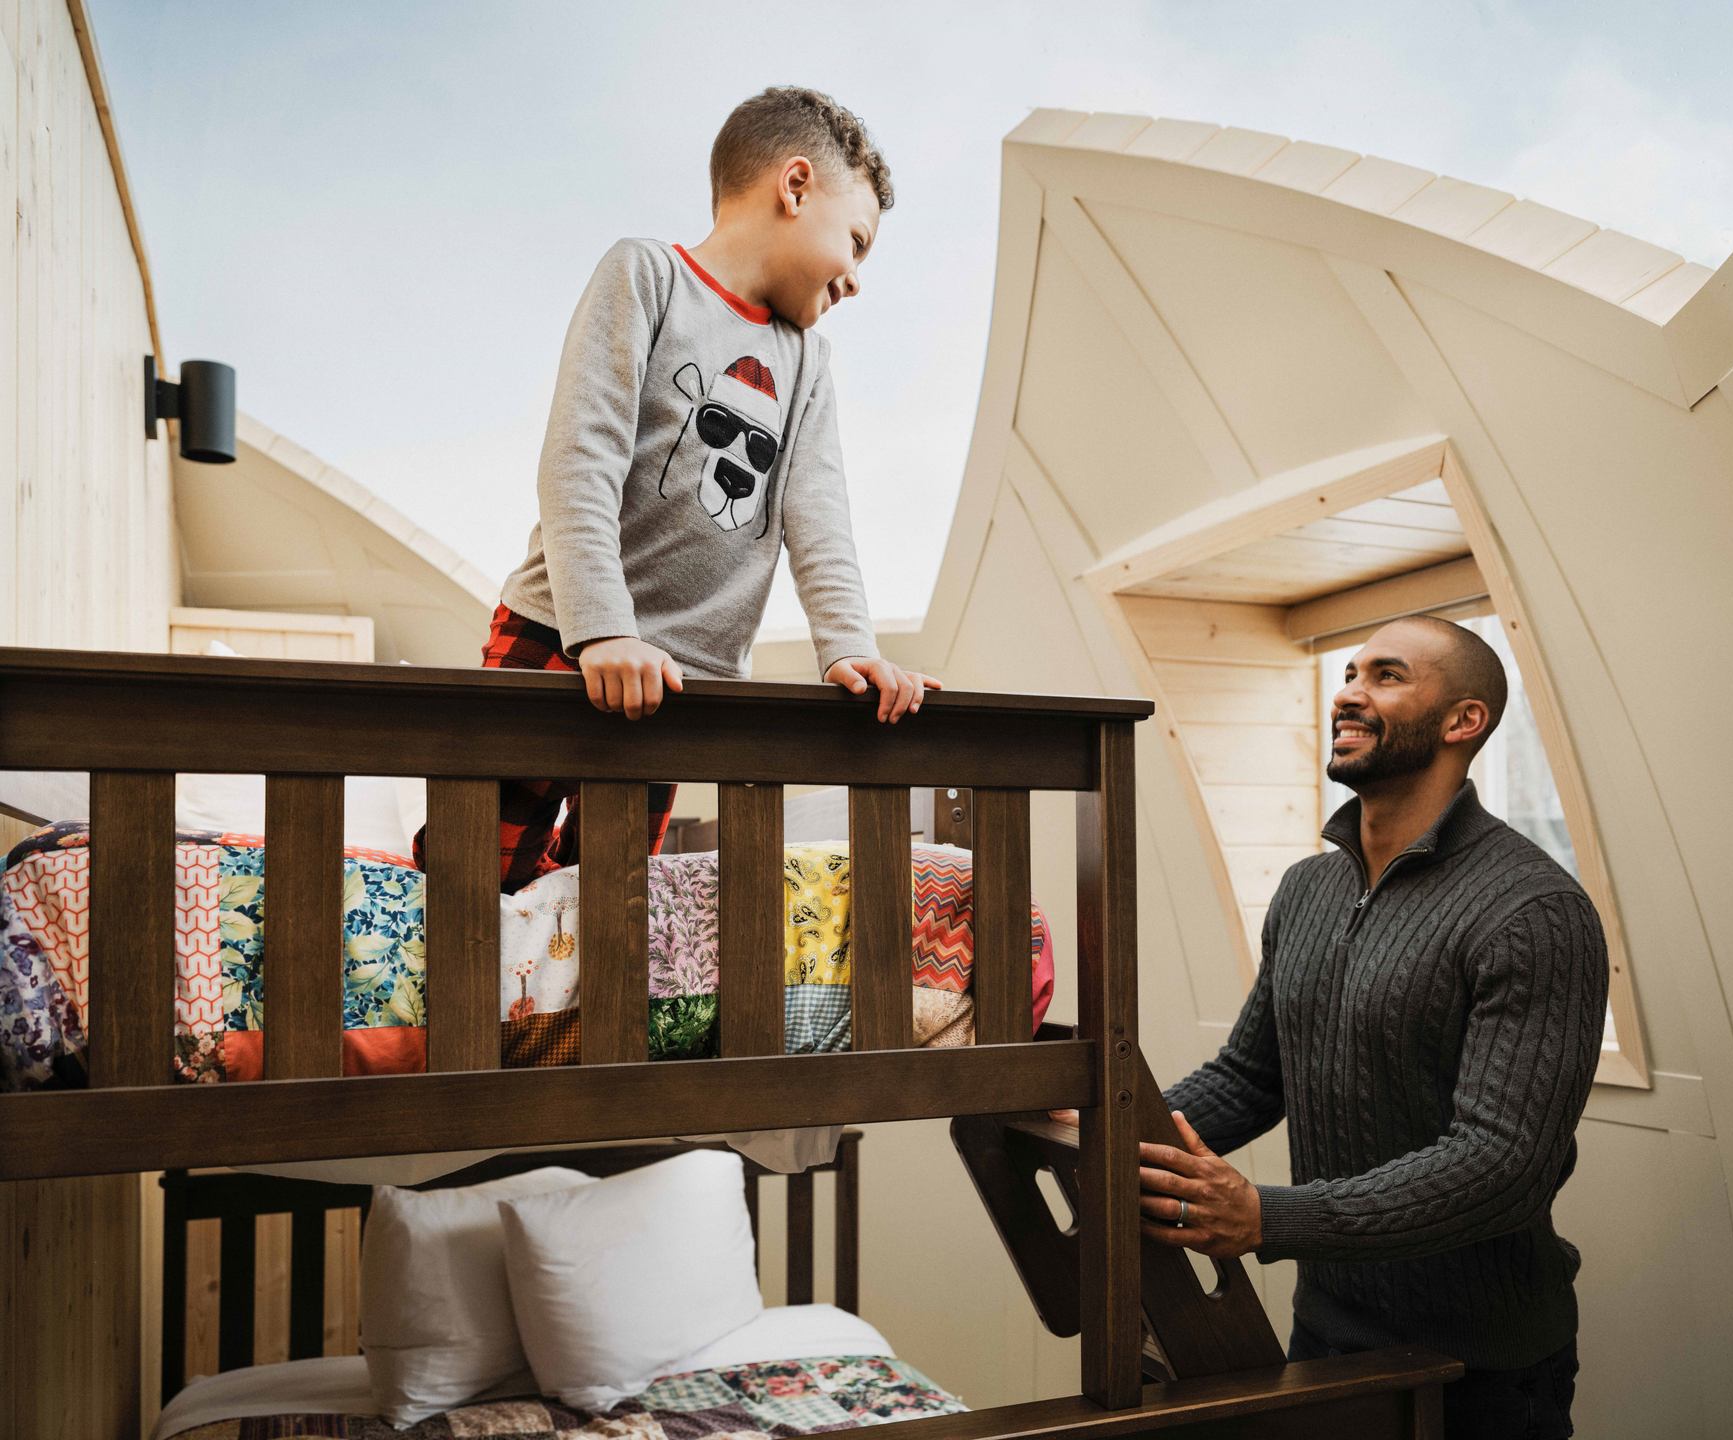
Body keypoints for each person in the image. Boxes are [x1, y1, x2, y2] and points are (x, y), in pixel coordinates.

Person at [1061, 615, 1608, 1438]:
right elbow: (1251, 1077)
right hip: (1326, 1334)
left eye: (1386, 676)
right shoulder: (1307, 890)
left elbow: (1504, 1165)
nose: (1349, 694)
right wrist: (1108, 1131)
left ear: (1465, 722)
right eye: (1348, 673)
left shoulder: (1535, 911)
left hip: (1482, 1367)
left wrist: (1268, 1218)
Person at [416, 86, 938, 893]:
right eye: (858, 242)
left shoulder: (809, 366)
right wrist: (603, 632)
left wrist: (851, 648)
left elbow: (820, 515)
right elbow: (579, 457)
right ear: (795, 187)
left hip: (683, 679)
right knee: (472, 871)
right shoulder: (649, 276)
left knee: (610, 895)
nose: (858, 280)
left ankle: (547, 1021)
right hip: (558, 633)